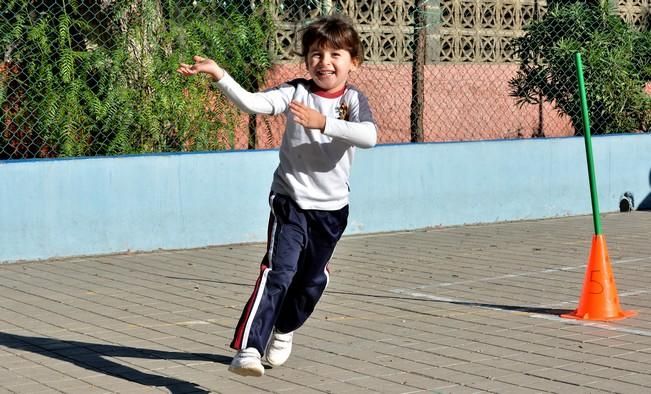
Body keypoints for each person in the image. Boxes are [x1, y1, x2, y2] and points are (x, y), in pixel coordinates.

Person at [177, 14, 377, 377]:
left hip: (332, 211)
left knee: (311, 281)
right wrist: (219, 74)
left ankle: (284, 330)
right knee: (278, 272)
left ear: (353, 61)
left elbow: (368, 137)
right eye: (316, 54)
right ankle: (249, 348)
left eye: (335, 55)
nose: (324, 62)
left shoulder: (353, 100)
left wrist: (325, 123)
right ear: (306, 60)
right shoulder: (295, 92)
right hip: (290, 201)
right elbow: (253, 104)